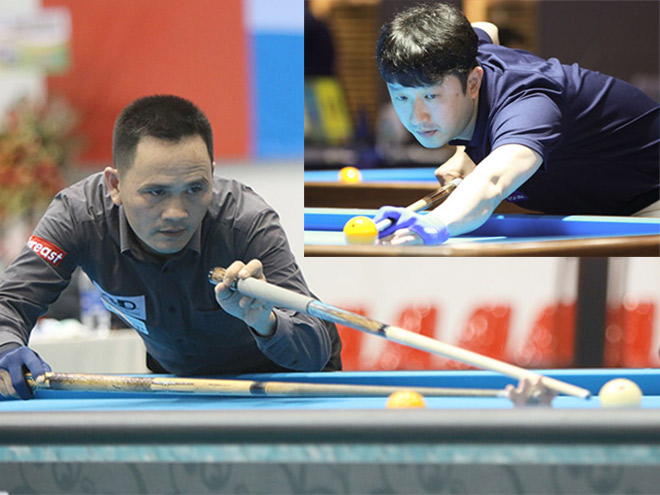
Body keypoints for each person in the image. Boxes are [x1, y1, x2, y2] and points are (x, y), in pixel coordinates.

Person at [0, 95, 342, 399]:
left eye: (194, 189)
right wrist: (6, 348)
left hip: (281, 383)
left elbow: (313, 347)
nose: (176, 212)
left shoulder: (246, 222)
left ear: (211, 176)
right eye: (156, 192)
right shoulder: (78, 216)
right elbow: (11, 302)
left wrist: (264, 320)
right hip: (180, 384)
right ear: (115, 185)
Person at [373, 3, 659, 245]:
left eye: (431, 96)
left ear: (473, 83)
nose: (417, 117)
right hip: (606, 209)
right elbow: (485, 28)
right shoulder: (461, 53)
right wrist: (464, 152)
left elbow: (494, 182)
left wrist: (434, 223)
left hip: (649, 202)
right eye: (401, 97)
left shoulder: (529, 105)